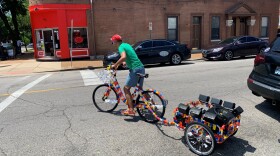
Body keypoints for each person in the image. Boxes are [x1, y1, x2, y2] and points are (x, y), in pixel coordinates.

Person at [111, 34, 145, 116]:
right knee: (140, 89)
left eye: (112, 41)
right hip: (141, 67)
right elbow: (131, 55)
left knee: (126, 89)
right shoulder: (127, 45)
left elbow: (123, 56)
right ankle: (152, 104)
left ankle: (131, 110)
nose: (112, 43)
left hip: (135, 69)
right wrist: (125, 62)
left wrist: (115, 65)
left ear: (115, 41)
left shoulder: (121, 47)